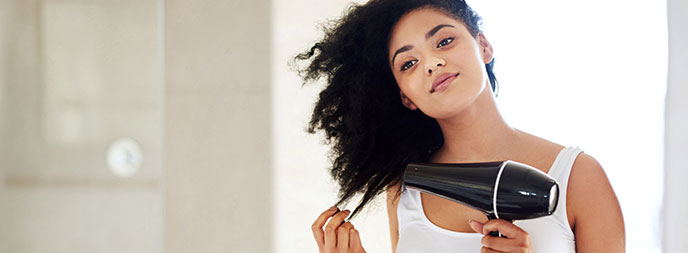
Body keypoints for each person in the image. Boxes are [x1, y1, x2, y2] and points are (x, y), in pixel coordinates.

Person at [295, 0, 625, 252]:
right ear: (405, 97)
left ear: (483, 46)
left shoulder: (577, 176)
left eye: (444, 41)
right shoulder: (406, 190)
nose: (433, 63)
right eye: (409, 63)